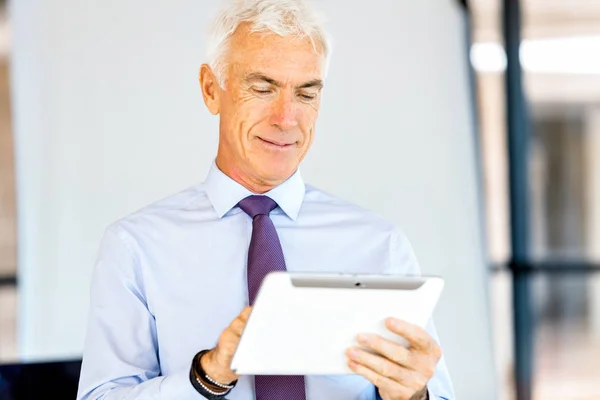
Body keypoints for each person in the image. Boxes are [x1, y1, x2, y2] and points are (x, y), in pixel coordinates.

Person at [76, 0, 454, 399]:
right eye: (262, 88)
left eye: (306, 94)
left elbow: (434, 393)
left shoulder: (379, 244)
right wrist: (207, 375)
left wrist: (415, 395)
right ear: (210, 90)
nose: (286, 118)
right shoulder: (136, 246)